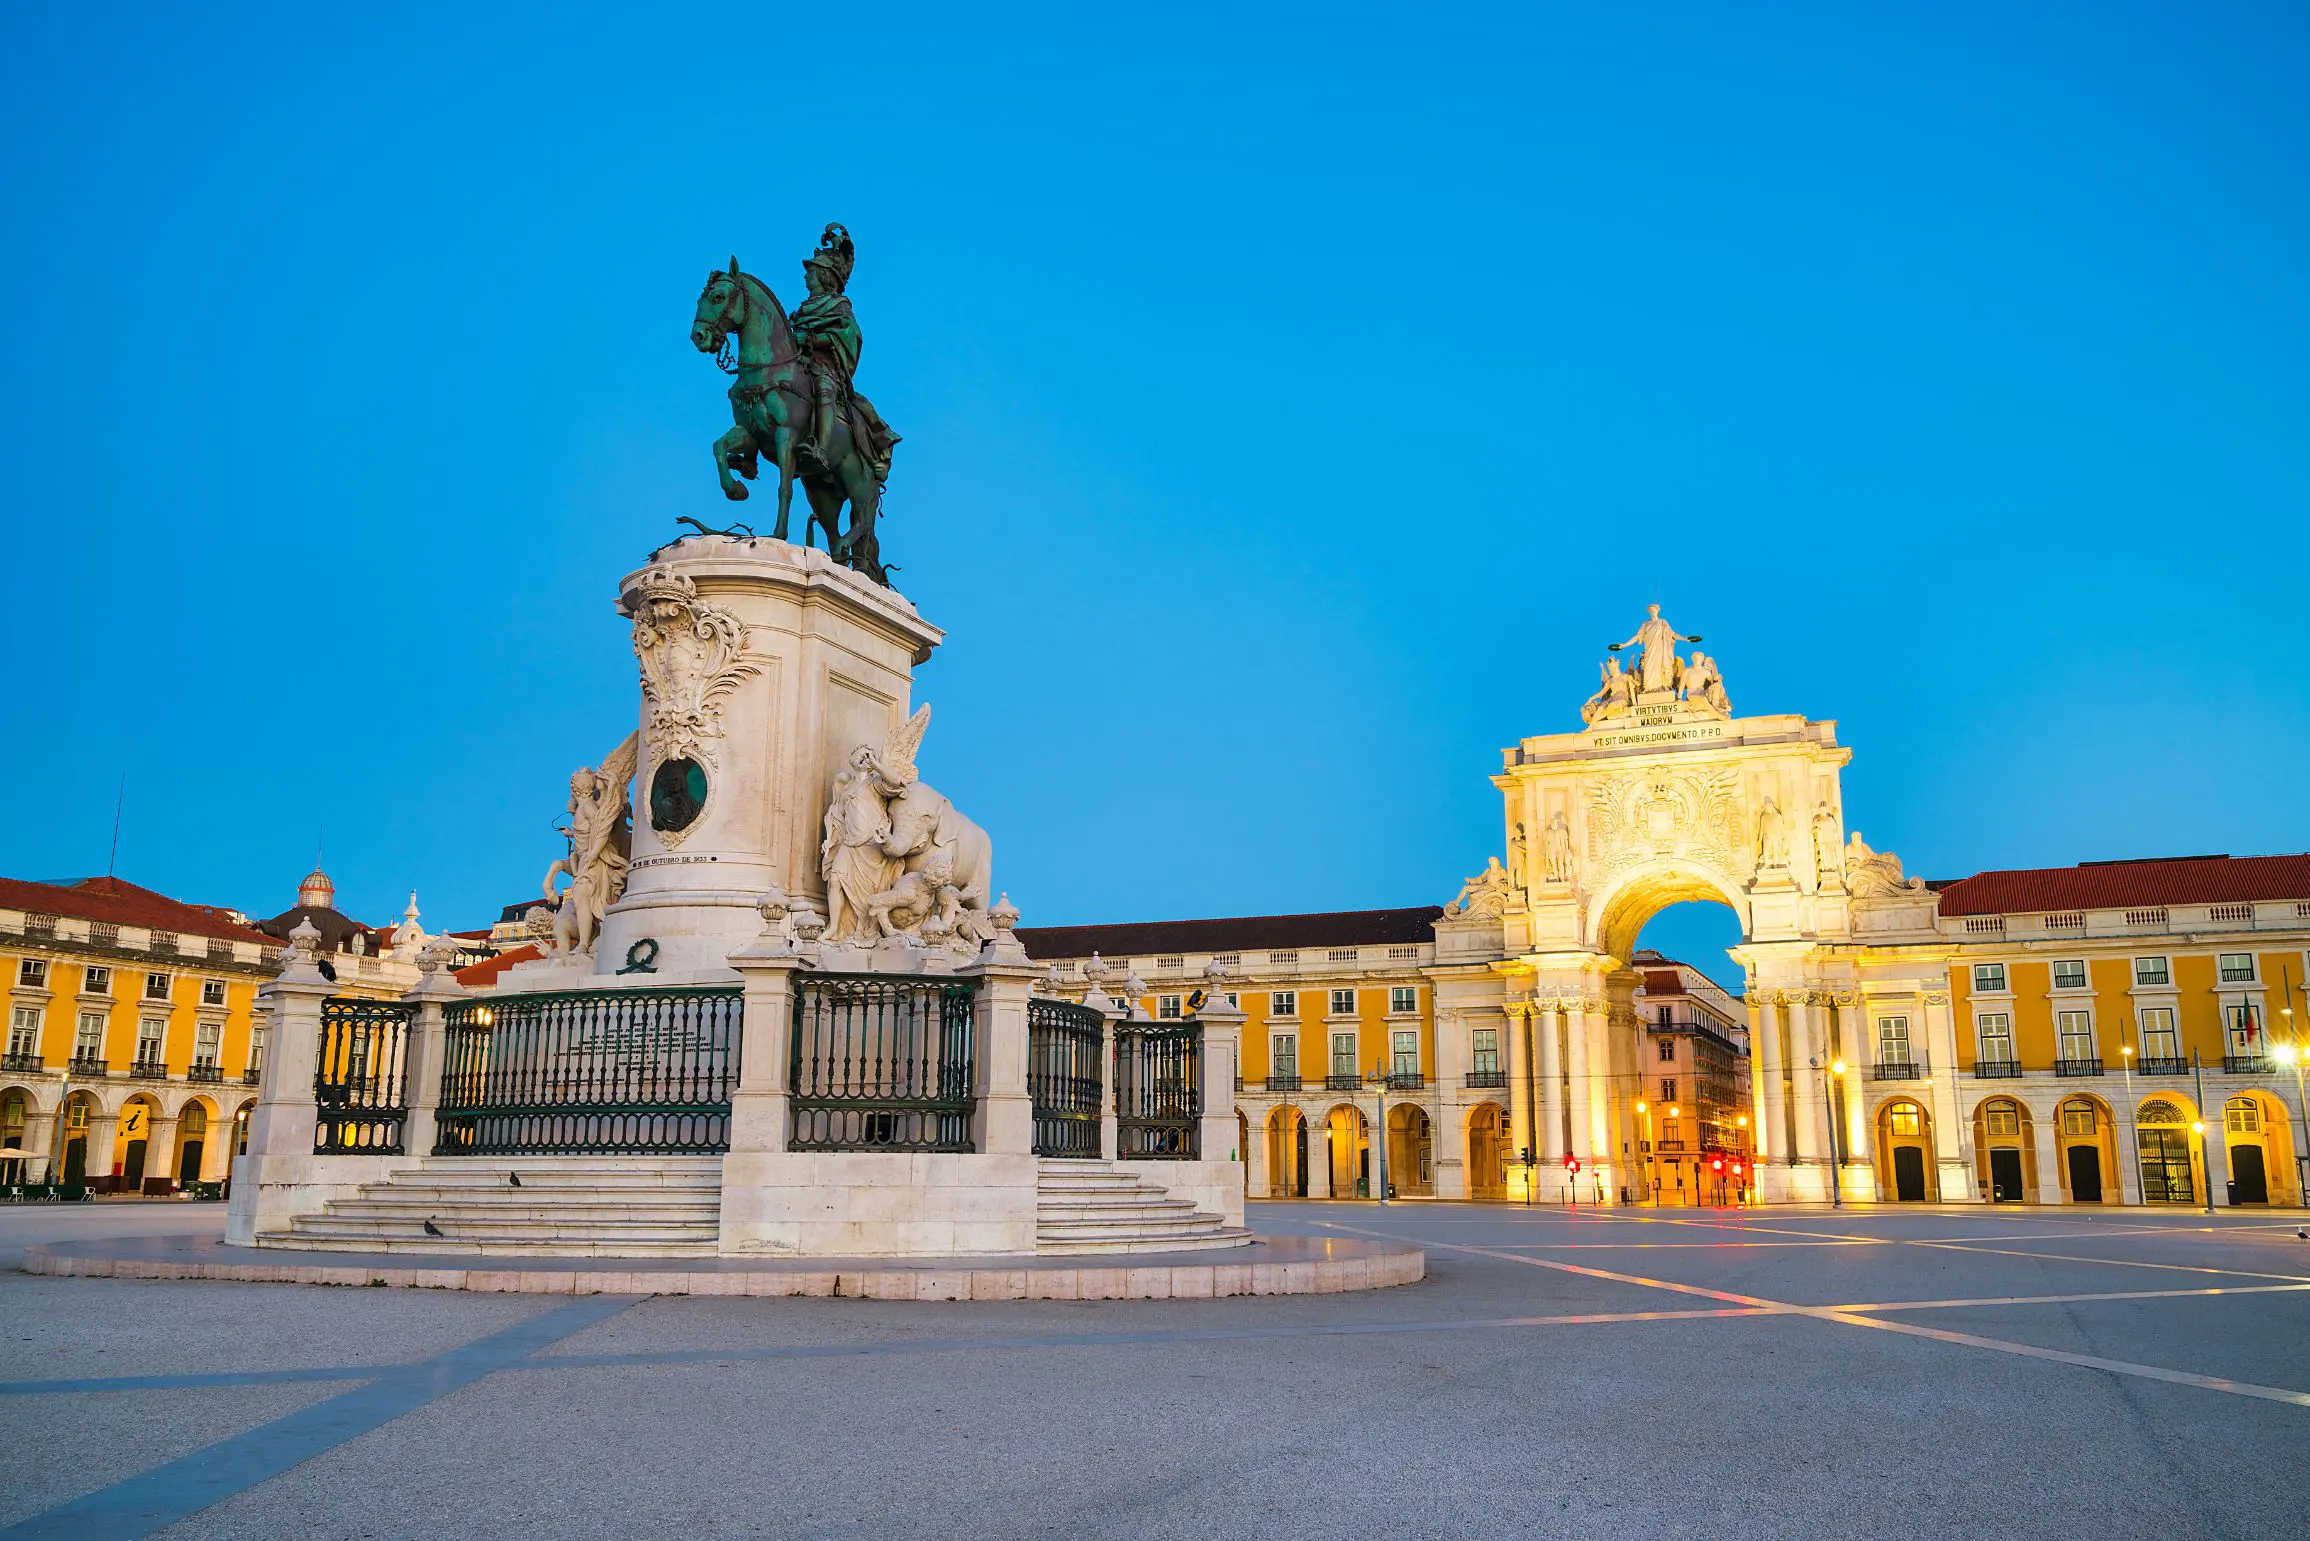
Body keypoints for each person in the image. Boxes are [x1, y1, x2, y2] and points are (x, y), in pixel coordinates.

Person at [789, 224, 901, 481]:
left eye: (811, 271)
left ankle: (821, 448)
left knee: (824, 387)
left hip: (825, 366)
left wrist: (813, 339)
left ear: (825, 276)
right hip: (798, 363)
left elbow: (849, 336)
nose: (806, 276)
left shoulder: (839, 307)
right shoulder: (802, 310)